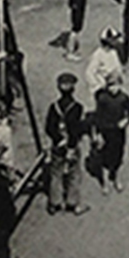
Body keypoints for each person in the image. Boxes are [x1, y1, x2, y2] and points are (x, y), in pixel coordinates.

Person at [44, 72, 90, 215]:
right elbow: (76, 130)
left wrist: (58, 139)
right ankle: (73, 203)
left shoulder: (54, 107)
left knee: (55, 173)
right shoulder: (77, 108)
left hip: (57, 146)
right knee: (74, 173)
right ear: (73, 89)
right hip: (72, 146)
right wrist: (71, 145)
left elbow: (49, 127)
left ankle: (54, 203)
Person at [91, 73, 129, 194]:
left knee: (118, 155)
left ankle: (116, 178)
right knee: (105, 157)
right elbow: (97, 117)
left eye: (115, 85)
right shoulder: (103, 99)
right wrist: (97, 134)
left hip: (119, 132)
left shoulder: (124, 98)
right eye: (110, 86)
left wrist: (126, 120)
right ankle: (105, 183)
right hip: (106, 131)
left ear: (120, 85)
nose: (113, 88)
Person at [86, 26, 125, 95]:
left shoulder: (113, 52)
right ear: (108, 41)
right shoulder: (98, 54)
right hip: (103, 88)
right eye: (114, 39)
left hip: (113, 85)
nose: (117, 41)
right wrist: (99, 85)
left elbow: (117, 67)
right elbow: (89, 72)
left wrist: (119, 77)